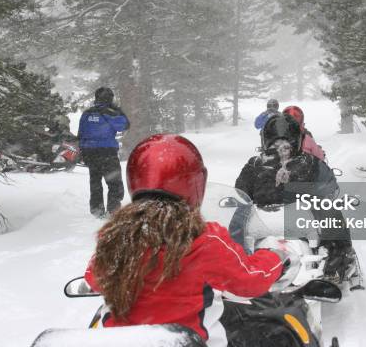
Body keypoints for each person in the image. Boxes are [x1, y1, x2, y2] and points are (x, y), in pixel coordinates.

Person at [83, 134, 297, 347]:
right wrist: (274, 255)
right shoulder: (204, 240)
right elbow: (250, 281)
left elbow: (94, 279)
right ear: (196, 181)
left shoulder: (114, 237)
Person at [235, 113, 354, 281]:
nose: (281, 146)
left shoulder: (258, 163)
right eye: (277, 142)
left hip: (273, 221)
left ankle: (339, 255)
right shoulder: (308, 162)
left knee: (329, 213)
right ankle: (340, 256)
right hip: (277, 221)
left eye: (285, 141)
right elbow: (240, 194)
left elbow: (241, 191)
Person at [78, 87, 129, 217]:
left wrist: (83, 151)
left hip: (90, 152)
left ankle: (96, 210)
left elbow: (81, 133)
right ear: (110, 98)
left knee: (95, 181)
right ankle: (113, 211)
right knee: (114, 182)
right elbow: (124, 125)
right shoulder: (111, 113)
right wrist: (119, 111)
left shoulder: (87, 113)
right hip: (107, 152)